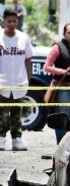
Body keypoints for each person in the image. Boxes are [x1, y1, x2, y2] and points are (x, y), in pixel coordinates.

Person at [43, 23, 70, 142]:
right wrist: (62, 71)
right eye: (69, 32)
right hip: (63, 87)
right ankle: (61, 145)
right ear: (64, 34)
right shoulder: (58, 47)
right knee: (62, 117)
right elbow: (47, 67)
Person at [0, 8, 33, 151]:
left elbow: (28, 60)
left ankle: (17, 139)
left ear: (17, 22)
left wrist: (29, 78)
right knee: (1, 114)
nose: (11, 24)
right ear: (3, 21)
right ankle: (1, 138)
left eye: (14, 21)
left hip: (19, 82)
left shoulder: (24, 38)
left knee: (16, 112)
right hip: (2, 82)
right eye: (9, 21)